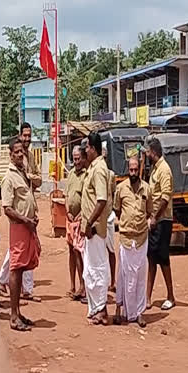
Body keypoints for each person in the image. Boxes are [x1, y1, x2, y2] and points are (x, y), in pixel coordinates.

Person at [1, 138, 41, 332]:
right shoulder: (9, 177)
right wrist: (25, 220)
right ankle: (14, 316)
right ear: (10, 154)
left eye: (21, 152)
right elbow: (7, 208)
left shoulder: (23, 173)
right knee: (16, 269)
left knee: (23, 266)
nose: (19, 154)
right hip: (19, 227)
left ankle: (17, 311)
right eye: (16, 152)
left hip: (28, 227)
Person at [114, 157, 152, 327]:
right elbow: (117, 210)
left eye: (136, 170)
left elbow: (150, 212)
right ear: (127, 170)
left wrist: (148, 222)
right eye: (131, 170)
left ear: (140, 170)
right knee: (123, 275)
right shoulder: (121, 188)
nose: (134, 173)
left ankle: (139, 312)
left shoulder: (147, 189)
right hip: (126, 239)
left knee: (140, 277)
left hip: (142, 238)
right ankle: (119, 310)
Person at [80, 133, 112, 324]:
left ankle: (102, 310)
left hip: (96, 229)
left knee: (98, 269)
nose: (85, 151)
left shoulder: (99, 169)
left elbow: (101, 200)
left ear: (92, 148)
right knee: (90, 269)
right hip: (90, 229)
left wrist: (90, 222)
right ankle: (95, 308)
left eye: (87, 148)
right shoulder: (93, 168)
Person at [145, 137, 176, 311]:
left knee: (163, 258)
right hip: (154, 220)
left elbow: (165, 197)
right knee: (151, 257)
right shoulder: (154, 169)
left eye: (148, 152)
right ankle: (147, 297)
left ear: (154, 152)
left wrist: (155, 217)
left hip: (162, 220)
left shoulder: (164, 170)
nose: (146, 155)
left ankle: (171, 295)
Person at [65, 145, 87, 302]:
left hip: (79, 220)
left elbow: (86, 200)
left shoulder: (86, 175)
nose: (76, 161)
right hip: (69, 219)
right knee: (71, 252)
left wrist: (79, 215)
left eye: (79, 158)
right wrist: (67, 211)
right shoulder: (71, 174)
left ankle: (82, 286)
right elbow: (67, 195)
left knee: (79, 252)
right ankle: (72, 285)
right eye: (74, 159)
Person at [106, 169, 117, 292]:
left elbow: (112, 193)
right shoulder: (91, 172)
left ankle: (113, 281)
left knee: (110, 249)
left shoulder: (111, 175)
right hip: (97, 219)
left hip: (108, 217)